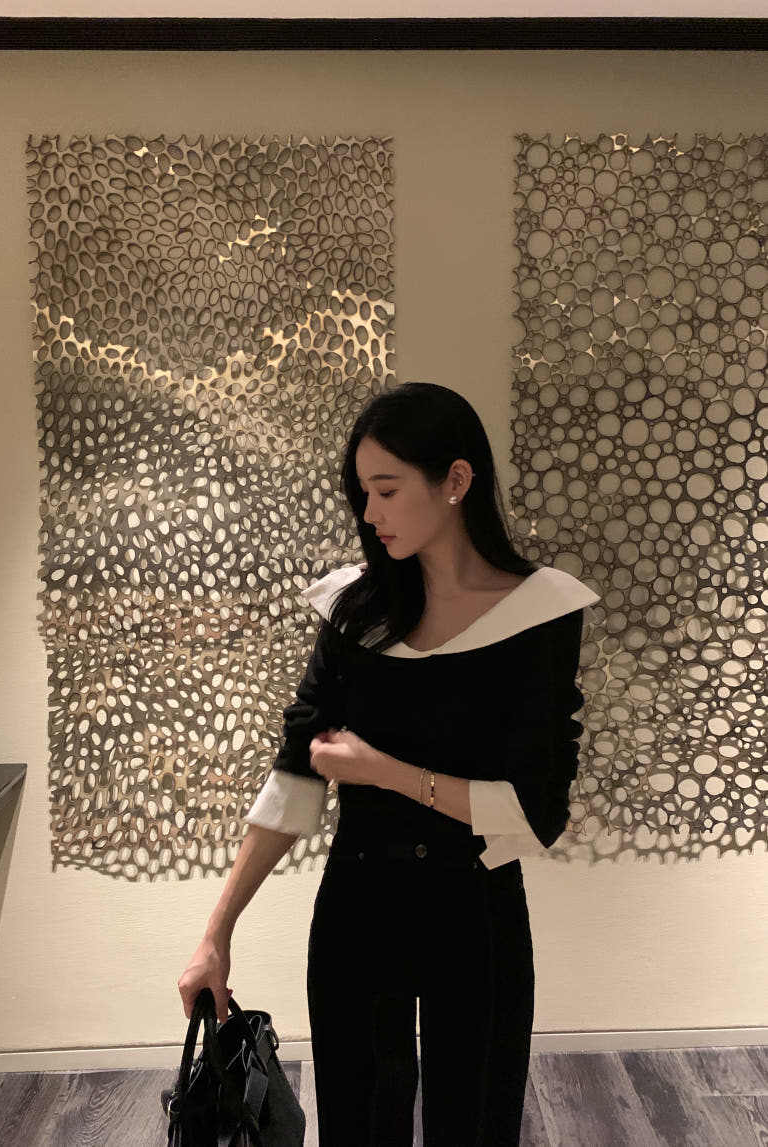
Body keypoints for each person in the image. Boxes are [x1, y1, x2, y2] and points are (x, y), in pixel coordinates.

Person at [177, 381, 601, 1145]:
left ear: (456, 480)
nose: (370, 512)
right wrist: (216, 932)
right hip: (359, 906)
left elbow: (535, 814)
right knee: (358, 1123)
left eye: (387, 488)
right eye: (363, 492)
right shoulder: (355, 611)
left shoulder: (540, 613)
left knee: (475, 1121)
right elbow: (295, 781)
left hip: (477, 909)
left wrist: (386, 771)